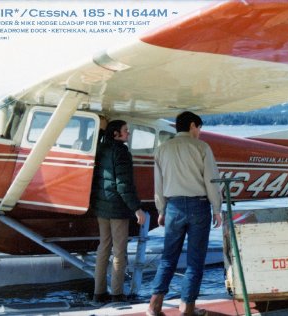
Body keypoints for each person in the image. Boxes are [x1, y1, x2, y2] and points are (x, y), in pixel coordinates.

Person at [147, 111, 222, 316]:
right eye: (199, 128)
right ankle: (187, 309)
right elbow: (211, 181)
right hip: (199, 206)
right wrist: (217, 209)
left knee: (168, 258)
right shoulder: (202, 147)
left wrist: (161, 210)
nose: (199, 132)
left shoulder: (162, 149)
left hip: (173, 207)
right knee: (195, 261)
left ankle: (154, 306)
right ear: (191, 125)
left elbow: (158, 184)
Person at [90, 119, 146, 303]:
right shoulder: (121, 152)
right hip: (117, 209)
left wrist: (100, 129)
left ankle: (98, 293)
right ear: (116, 134)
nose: (128, 133)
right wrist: (137, 209)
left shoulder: (101, 149)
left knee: (103, 248)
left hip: (101, 206)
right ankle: (117, 294)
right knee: (119, 252)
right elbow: (123, 185)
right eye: (125, 130)